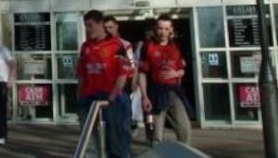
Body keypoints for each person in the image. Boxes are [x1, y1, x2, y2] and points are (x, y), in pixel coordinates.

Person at [76, 10, 133, 158]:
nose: (88, 30)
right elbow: (81, 74)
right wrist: (79, 96)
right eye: (85, 26)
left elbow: (122, 75)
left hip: (109, 98)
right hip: (88, 98)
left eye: (90, 25)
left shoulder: (116, 46)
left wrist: (112, 98)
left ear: (101, 24)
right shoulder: (85, 47)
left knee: (115, 141)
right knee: (88, 141)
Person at [138, 14, 194, 146]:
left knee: (184, 128)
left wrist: (176, 73)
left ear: (171, 30)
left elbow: (182, 70)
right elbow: (142, 74)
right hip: (156, 93)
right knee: (156, 135)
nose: (163, 32)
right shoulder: (148, 47)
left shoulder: (177, 46)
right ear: (155, 29)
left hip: (174, 92)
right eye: (160, 28)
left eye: (166, 28)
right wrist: (145, 97)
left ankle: (184, 154)